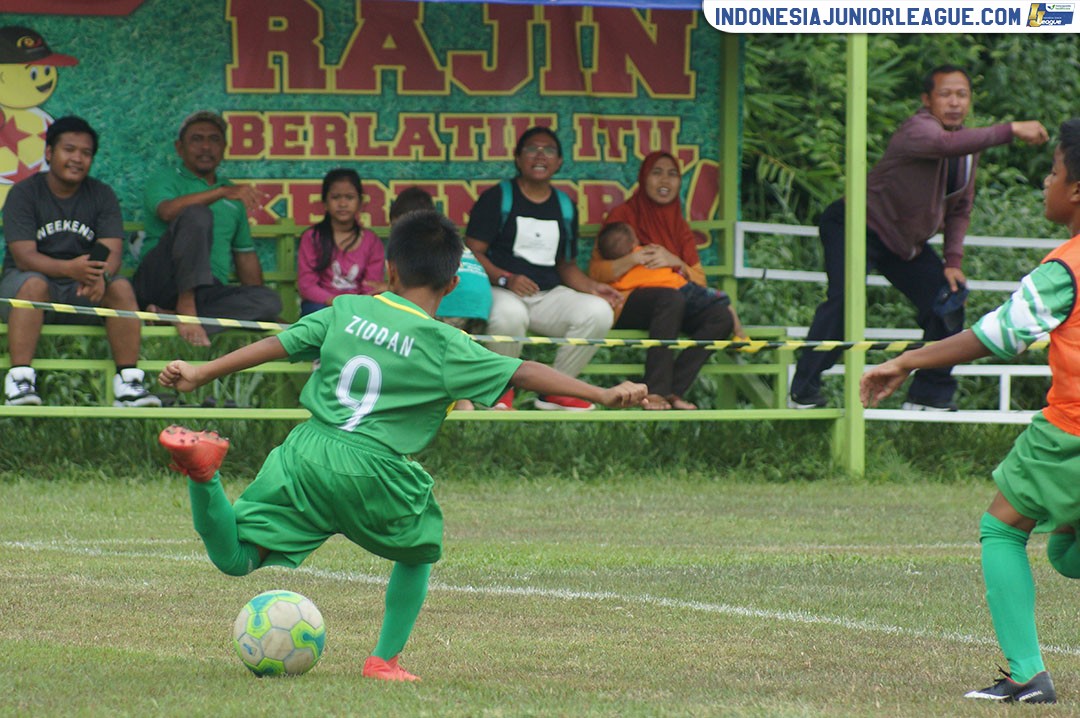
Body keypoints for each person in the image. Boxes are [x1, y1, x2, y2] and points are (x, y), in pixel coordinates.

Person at [155, 209, 647, 682]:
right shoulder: (444, 342)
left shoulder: (348, 309)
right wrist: (600, 392)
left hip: (307, 451)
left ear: (389, 270)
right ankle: (383, 661)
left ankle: (204, 476)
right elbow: (525, 371)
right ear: (452, 284)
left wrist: (200, 372)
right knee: (419, 550)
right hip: (375, 468)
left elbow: (278, 344)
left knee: (238, 558)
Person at [861, 119, 1080, 705]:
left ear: (1077, 189)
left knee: (1002, 528)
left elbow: (995, 335)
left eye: (1054, 171)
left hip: (1070, 433)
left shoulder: (1066, 269)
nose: (1045, 181)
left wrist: (907, 360)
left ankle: (1026, 673)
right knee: (1065, 548)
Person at [790, 65, 1049, 411]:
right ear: (927, 100)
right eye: (945, 94)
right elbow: (944, 143)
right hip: (855, 224)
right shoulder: (918, 129)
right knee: (846, 301)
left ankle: (928, 396)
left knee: (948, 300)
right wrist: (1011, 129)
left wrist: (953, 262)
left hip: (905, 243)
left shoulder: (968, 152)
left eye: (962, 95)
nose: (954, 103)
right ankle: (804, 392)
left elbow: (960, 209)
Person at [0, 116, 160, 407]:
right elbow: (24, 257)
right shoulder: (24, 193)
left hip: (83, 291)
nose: (77, 158)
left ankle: (128, 382)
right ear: (49, 153)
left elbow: (109, 247)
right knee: (34, 284)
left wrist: (99, 275)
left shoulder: (101, 194)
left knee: (121, 288)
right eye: (69, 150)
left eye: (85, 153)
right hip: (27, 290)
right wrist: (70, 268)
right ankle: (20, 380)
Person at [465, 126, 620, 411]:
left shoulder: (565, 206)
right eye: (532, 149)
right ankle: (500, 391)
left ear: (559, 162)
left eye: (549, 150)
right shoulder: (498, 197)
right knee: (509, 315)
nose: (540, 155)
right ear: (517, 157)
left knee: (598, 312)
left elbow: (566, 265)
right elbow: (473, 251)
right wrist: (505, 277)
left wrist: (593, 289)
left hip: (547, 295)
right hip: (503, 290)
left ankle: (556, 391)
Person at [590, 152, 736, 411]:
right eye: (657, 172)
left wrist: (675, 261)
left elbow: (699, 279)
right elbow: (598, 273)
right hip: (627, 302)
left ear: (680, 181)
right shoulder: (623, 215)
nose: (664, 180)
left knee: (721, 317)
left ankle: (673, 391)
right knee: (670, 298)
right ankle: (655, 392)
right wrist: (635, 258)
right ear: (643, 178)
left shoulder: (679, 225)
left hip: (673, 302)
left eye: (672, 173)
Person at [132, 110, 282, 347]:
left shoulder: (233, 195)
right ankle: (185, 306)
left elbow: (245, 256)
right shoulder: (166, 179)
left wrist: (261, 312)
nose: (206, 147)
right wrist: (220, 193)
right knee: (196, 214)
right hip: (160, 279)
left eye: (214, 140)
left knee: (270, 301)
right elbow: (167, 212)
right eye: (197, 139)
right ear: (180, 148)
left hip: (208, 290)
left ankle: (168, 316)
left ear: (224, 148)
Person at [390, 186, 491, 411]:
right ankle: (464, 407)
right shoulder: (448, 240)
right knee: (455, 360)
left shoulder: (418, 245)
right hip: (480, 308)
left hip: (453, 306)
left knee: (430, 356)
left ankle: (461, 407)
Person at [297, 168, 385, 317]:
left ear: (360, 203)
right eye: (336, 197)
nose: (343, 203)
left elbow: (371, 286)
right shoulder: (312, 237)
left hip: (357, 308)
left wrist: (353, 306)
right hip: (322, 306)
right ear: (325, 202)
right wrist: (333, 301)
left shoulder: (372, 241)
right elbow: (307, 286)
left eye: (349, 197)